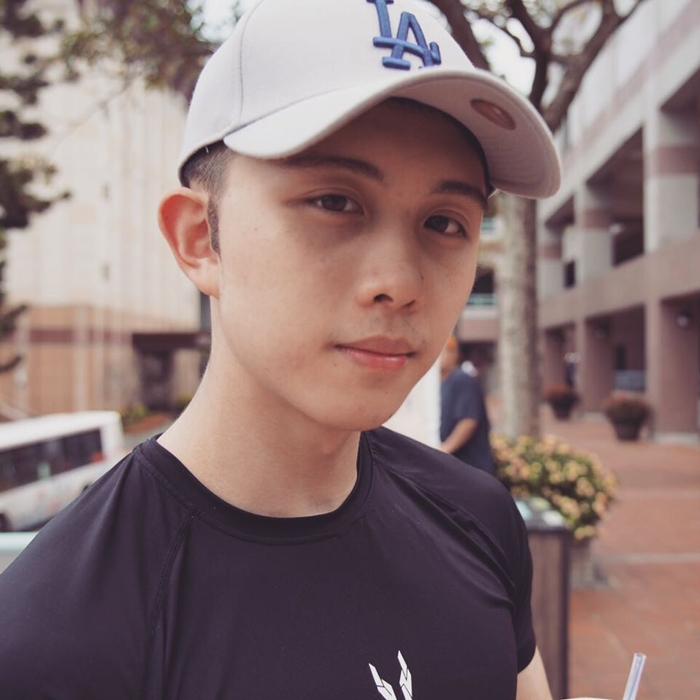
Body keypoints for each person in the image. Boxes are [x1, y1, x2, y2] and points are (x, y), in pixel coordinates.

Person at [0, 0, 562, 697]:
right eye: (335, 202)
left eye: (445, 222)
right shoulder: (56, 641)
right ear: (201, 240)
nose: (399, 284)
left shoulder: (478, 516)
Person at [439, 336, 496, 475]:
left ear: (454, 354)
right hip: (454, 466)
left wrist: (444, 449)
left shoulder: (462, 379)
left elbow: (468, 421)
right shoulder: (441, 383)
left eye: (443, 351)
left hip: (471, 467)